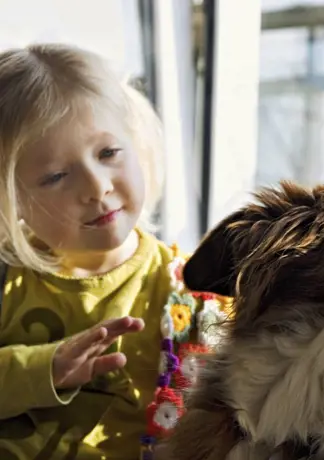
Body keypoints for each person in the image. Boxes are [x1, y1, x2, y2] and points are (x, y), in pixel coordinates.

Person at [0, 43, 231, 460]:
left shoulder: (195, 288)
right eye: (55, 176)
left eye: (108, 153)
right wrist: (44, 370)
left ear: (137, 143)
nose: (96, 186)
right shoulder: (7, 280)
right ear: (10, 196)